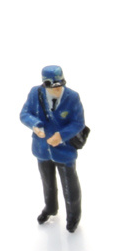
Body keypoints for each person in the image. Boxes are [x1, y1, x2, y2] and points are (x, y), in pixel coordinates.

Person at [19, 65, 85, 232]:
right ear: (45, 85)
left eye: (60, 85)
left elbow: (78, 123)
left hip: (64, 150)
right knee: (47, 183)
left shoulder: (72, 97)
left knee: (69, 186)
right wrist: (35, 125)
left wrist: (61, 136)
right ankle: (50, 208)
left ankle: (73, 216)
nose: (57, 89)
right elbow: (24, 114)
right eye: (53, 86)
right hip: (42, 148)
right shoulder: (35, 93)